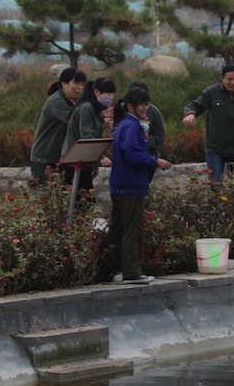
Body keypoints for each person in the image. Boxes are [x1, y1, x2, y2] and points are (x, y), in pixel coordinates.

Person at [107, 86, 171, 284]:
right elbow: (132, 153)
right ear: (131, 106)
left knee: (117, 230)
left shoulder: (124, 125)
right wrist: (154, 161)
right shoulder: (132, 126)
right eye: (142, 104)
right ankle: (131, 271)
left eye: (146, 104)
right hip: (130, 185)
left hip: (120, 184)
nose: (145, 108)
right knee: (132, 229)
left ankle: (112, 269)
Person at [182, 64, 234, 181]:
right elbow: (194, 105)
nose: (233, 82)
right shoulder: (211, 92)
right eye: (229, 79)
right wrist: (191, 115)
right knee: (215, 184)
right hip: (215, 147)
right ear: (222, 79)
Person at [29, 67, 86, 183]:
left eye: (82, 84)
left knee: (62, 197)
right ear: (64, 84)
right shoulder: (55, 101)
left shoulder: (72, 102)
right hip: (45, 159)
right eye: (76, 83)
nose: (80, 88)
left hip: (59, 159)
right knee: (49, 197)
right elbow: (73, 120)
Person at [60, 77, 115, 194]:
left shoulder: (94, 110)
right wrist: (101, 158)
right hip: (74, 163)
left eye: (112, 93)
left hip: (83, 163)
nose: (110, 97)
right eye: (107, 93)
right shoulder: (87, 108)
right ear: (96, 92)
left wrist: (93, 165)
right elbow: (88, 137)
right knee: (81, 202)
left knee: (85, 202)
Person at [128, 80, 165, 179]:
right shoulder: (124, 111)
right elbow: (115, 131)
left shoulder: (154, 112)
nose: (144, 107)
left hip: (149, 156)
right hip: (128, 160)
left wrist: (145, 141)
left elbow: (160, 136)